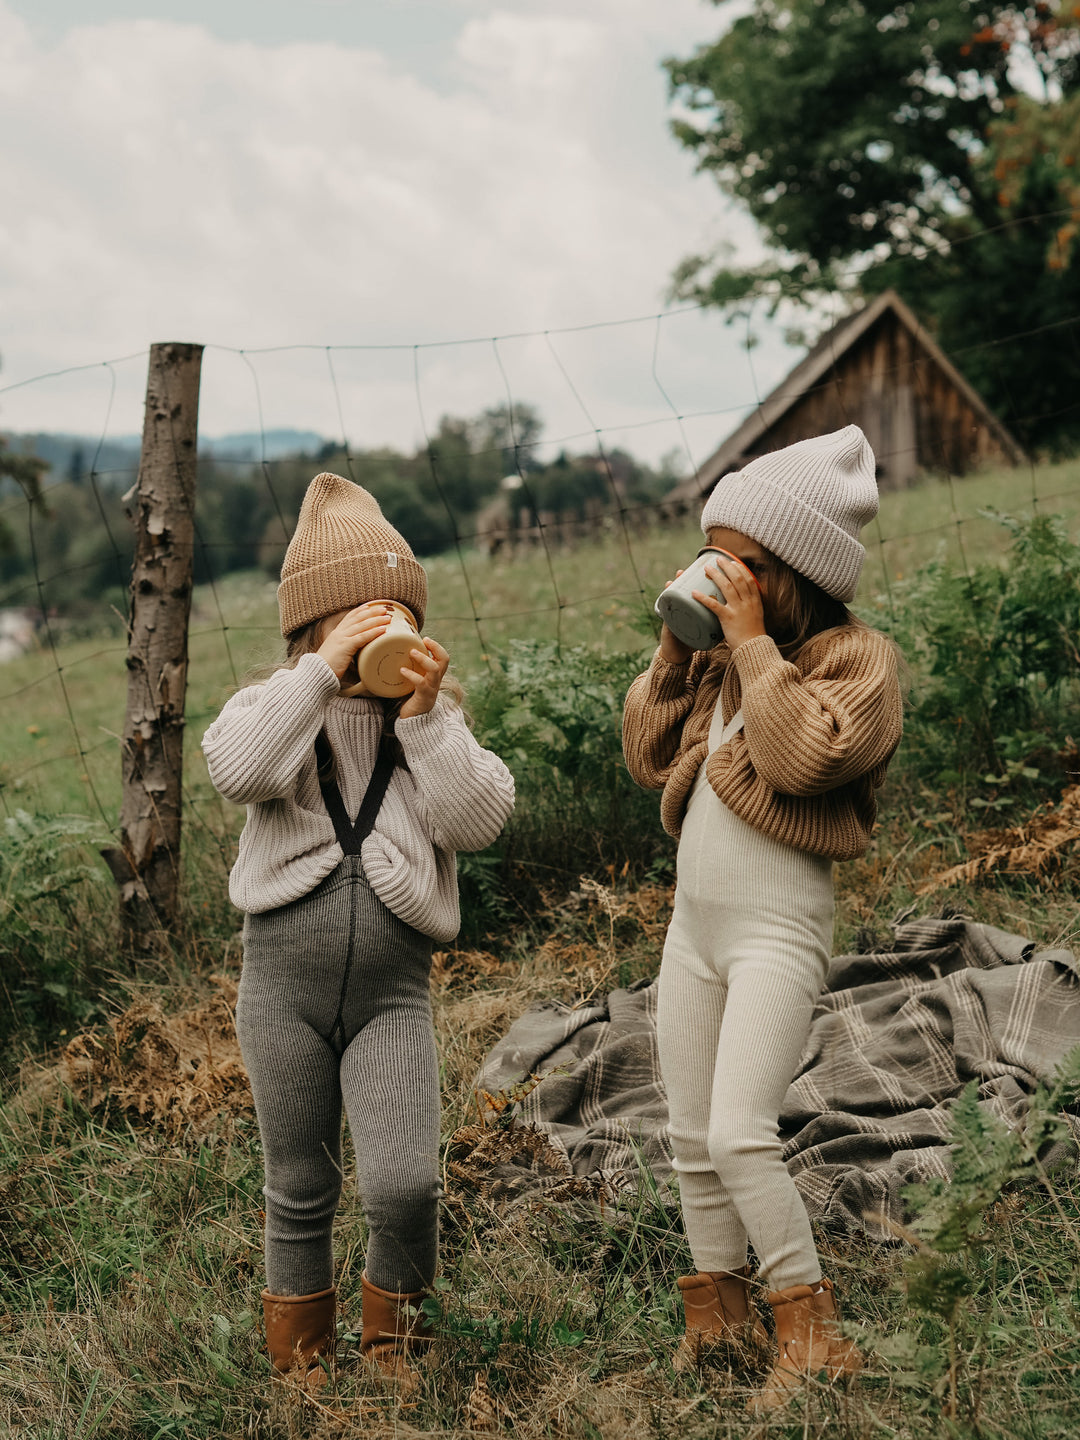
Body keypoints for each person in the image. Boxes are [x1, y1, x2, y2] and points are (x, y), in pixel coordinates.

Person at [203, 472, 515, 1386]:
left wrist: (423, 722)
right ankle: (301, 1362)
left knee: (403, 1185)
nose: (379, 633)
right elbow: (241, 769)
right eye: (356, 617)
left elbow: (478, 821)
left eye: (395, 614)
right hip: (282, 994)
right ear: (314, 624)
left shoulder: (433, 726)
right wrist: (319, 673)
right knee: (300, 1184)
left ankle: (397, 1348)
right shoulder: (274, 709)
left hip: (391, 995)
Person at [622, 426, 903, 1410]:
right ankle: (721, 1320)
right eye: (715, 561)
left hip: (776, 931)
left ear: (793, 574)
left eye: (739, 568)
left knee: (743, 1132)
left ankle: (813, 1329)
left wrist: (748, 650)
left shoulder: (856, 661)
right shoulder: (722, 663)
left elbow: (802, 762)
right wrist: (675, 656)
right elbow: (651, 758)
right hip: (692, 932)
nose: (722, 582)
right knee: (692, 1133)